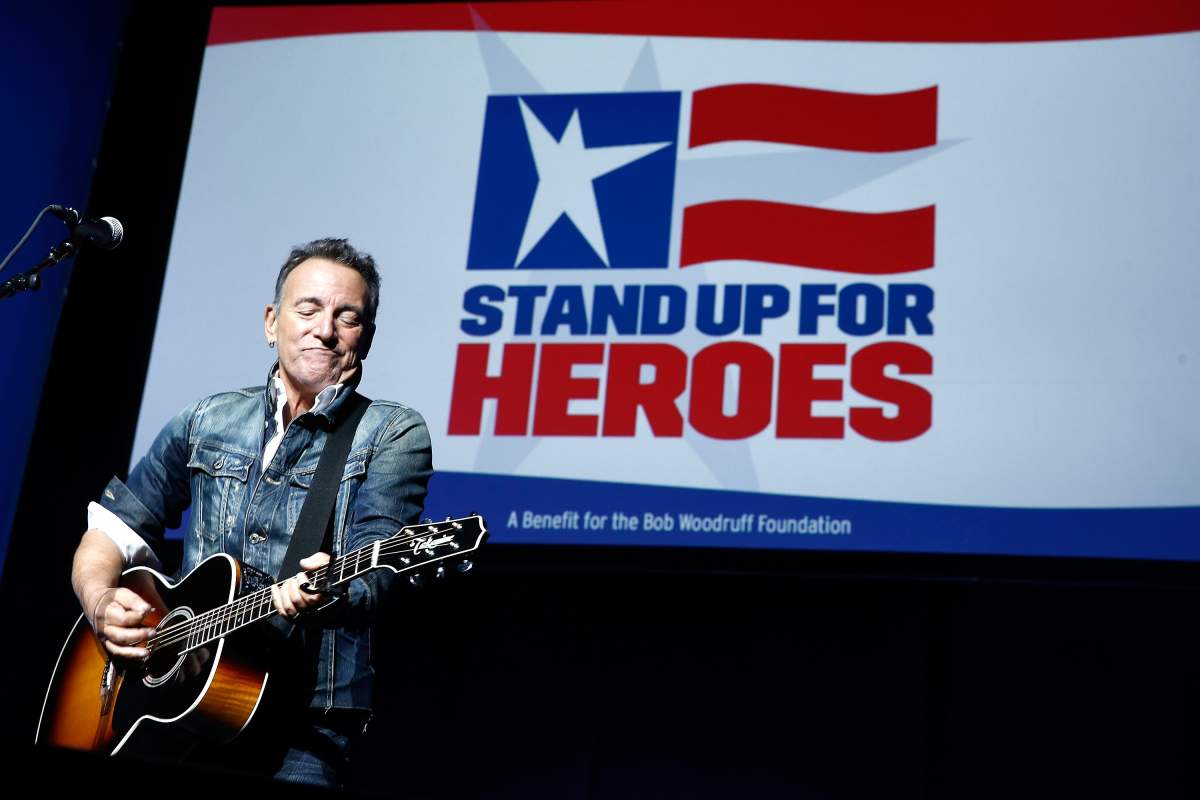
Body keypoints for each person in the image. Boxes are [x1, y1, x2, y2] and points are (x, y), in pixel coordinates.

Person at [69, 238, 433, 786]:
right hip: (181, 712)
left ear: (367, 337)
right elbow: (110, 533)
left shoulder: (392, 433)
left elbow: (379, 574)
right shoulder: (206, 419)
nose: (325, 329)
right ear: (272, 322)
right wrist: (99, 603)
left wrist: (325, 593)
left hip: (304, 726)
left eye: (347, 317)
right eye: (307, 309)